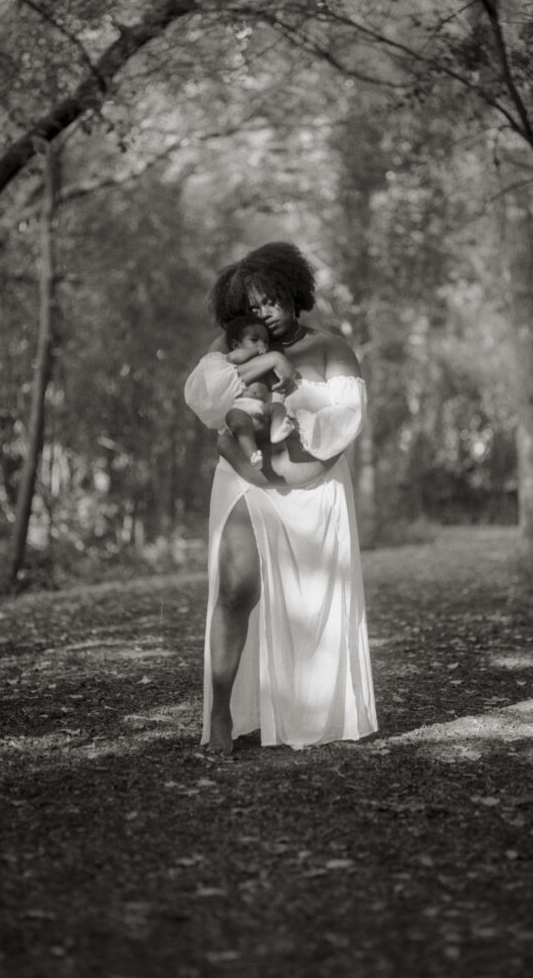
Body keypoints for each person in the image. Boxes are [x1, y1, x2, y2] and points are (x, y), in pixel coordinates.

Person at [184, 241, 377, 753]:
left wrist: (291, 388)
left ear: (294, 293)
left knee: (313, 602)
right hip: (248, 481)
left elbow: (344, 423)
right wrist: (254, 364)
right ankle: (221, 714)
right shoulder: (229, 346)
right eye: (250, 305)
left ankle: (308, 713)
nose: (262, 312)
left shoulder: (331, 348)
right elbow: (206, 403)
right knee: (235, 589)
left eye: (270, 299)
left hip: (315, 492)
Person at [223, 313, 295, 470]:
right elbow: (234, 357)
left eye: (266, 341)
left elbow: (275, 389)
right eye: (254, 339)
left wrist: (277, 394)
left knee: (278, 408)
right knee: (238, 422)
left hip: (260, 406)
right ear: (236, 345)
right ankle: (253, 454)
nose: (262, 344)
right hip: (239, 406)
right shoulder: (233, 358)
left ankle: (278, 429)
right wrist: (255, 350)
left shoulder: (266, 367)